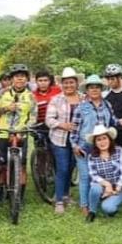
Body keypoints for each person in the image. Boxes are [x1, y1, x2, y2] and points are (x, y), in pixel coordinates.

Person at [70, 74, 122, 217]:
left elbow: (113, 120)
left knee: (97, 175)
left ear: (101, 89)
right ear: (87, 90)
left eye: (97, 87)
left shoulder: (107, 105)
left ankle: (98, 199)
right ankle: (84, 205)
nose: (94, 90)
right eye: (91, 87)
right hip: (84, 146)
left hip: (101, 146)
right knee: (85, 176)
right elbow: (75, 128)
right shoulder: (81, 107)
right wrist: (74, 145)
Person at [0, 64, 36, 198]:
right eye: (17, 77)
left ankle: (20, 196)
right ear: (12, 79)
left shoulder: (30, 96)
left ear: (27, 79)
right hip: (3, 132)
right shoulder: (2, 93)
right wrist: (5, 109)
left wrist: (26, 127)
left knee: (22, 166)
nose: (20, 79)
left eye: (23, 77)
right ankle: (0, 191)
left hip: (21, 133)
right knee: (1, 165)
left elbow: (33, 116)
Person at [45, 67, 83, 213]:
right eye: (65, 83)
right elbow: (49, 119)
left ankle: (66, 194)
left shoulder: (83, 98)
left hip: (78, 140)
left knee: (72, 166)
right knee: (62, 168)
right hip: (60, 139)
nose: (68, 85)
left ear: (76, 83)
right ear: (62, 84)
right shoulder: (56, 99)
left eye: (71, 82)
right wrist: (62, 125)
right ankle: (59, 200)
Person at [86, 125, 122, 221]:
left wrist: (115, 190)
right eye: (99, 140)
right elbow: (93, 175)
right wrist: (107, 184)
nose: (102, 142)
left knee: (108, 209)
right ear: (95, 143)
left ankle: (112, 201)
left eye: (104, 138)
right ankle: (92, 211)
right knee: (95, 188)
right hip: (101, 186)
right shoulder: (92, 156)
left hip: (116, 188)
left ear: (109, 139)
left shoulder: (119, 151)